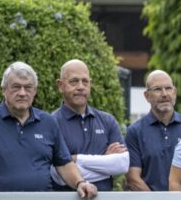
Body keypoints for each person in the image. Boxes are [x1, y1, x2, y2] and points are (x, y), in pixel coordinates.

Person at [0, 61, 98, 200]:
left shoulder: (48, 122)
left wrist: (80, 183)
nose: (22, 93)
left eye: (28, 87)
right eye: (16, 87)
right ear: (4, 90)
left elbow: (64, 164)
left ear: (35, 91)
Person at [50, 59, 127, 192]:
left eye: (85, 81)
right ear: (61, 85)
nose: (80, 86)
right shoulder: (50, 123)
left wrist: (76, 159)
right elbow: (57, 174)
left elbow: (122, 165)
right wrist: (105, 163)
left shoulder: (107, 121)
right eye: (74, 81)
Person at [125, 70, 181, 191]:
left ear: (175, 92)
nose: (164, 94)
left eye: (168, 88)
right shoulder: (134, 132)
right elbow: (133, 178)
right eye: (157, 89)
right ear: (147, 96)